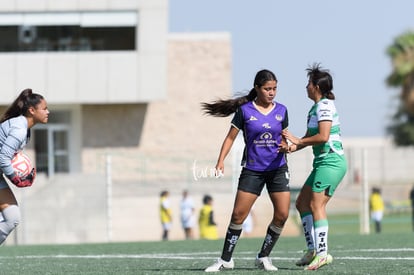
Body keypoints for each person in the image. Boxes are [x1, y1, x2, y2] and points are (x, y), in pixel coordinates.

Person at [201, 69, 291, 272]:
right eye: (268, 88)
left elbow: (285, 137)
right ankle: (225, 260)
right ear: (257, 88)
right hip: (253, 170)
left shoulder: (282, 110)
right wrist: (220, 161)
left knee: (283, 214)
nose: (272, 92)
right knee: (238, 215)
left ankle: (264, 257)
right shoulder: (245, 111)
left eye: (275, 88)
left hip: (278, 169)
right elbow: (231, 137)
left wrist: (287, 146)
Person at [282, 64, 347, 270]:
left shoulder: (325, 106)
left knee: (317, 205)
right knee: (302, 203)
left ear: (317, 87)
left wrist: (298, 141)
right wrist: (292, 146)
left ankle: (322, 253)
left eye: (309, 83)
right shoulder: (315, 108)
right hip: (322, 163)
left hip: (331, 162)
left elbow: (323, 137)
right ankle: (312, 250)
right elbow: (311, 139)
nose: (306, 87)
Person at [0, 88, 48, 245]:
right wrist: (15, 178)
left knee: (12, 218)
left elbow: (10, 158)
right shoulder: (20, 129)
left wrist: (20, 173)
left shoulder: (24, 128)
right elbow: (3, 158)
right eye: (44, 108)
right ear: (32, 110)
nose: (48, 112)